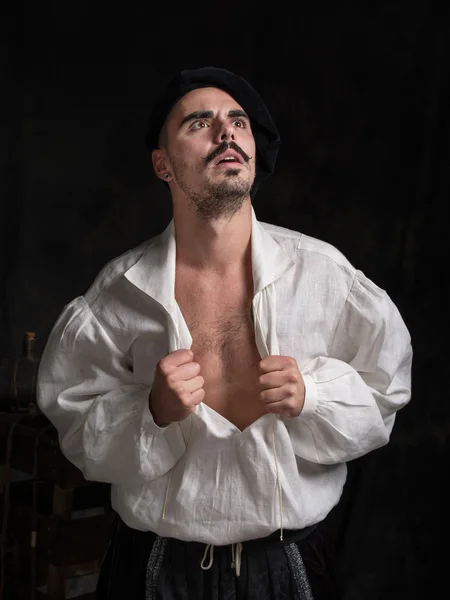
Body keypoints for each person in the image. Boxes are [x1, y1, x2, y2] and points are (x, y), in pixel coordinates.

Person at [36, 67, 413, 600]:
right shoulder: (117, 296)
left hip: (290, 565)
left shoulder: (325, 277)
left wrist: (315, 395)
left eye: (238, 122)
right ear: (162, 164)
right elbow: (73, 424)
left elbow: (388, 386)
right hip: (154, 567)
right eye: (199, 123)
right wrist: (152, 412)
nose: (227, 133)